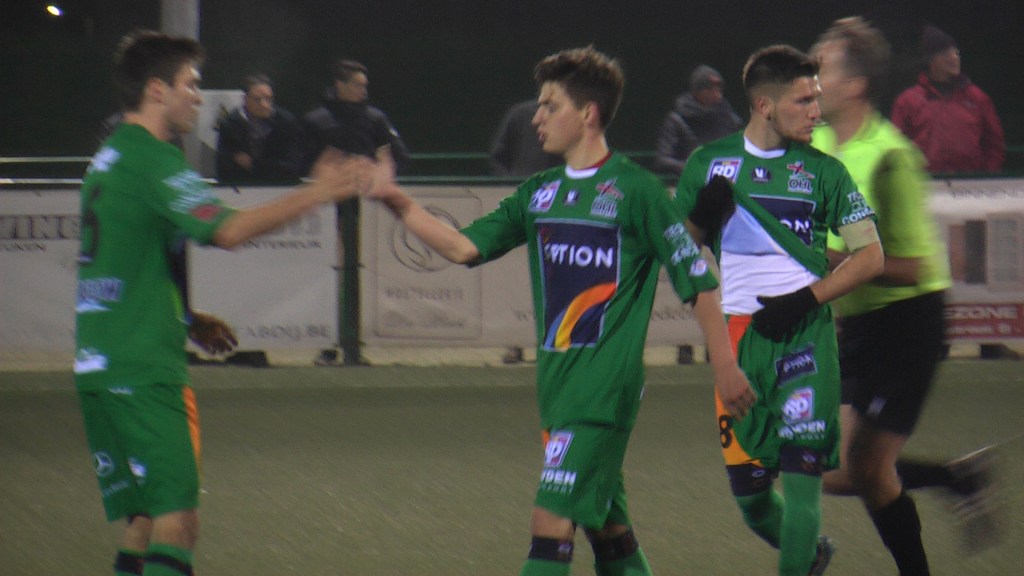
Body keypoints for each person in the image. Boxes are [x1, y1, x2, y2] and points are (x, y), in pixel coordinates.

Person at [365, 46, 755, 576]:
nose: (537, 117)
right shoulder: (540, 193)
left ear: (588, 114)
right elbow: (462, 247)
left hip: (603, 391)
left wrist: (725, 366)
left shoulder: (636, 191)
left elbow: (699, 284)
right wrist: (396, 201)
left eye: (550, 105)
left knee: (550, 523)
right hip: (558, 389)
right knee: (609, 528)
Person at [75, 30, 369, 576]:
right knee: (177, 522)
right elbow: (227, 230)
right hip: (143, 369)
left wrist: (188, 318)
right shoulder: (154, 160)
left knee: (144, 519)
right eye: (190, 84)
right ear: (157, 90)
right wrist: (317, 193)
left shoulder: (110, 157)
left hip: (101, 362)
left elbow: (130, 259)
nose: (198, 97)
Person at [677, 44, 885, 576]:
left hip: (805, 339)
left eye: (817, 98)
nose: (818, 111)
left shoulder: (825, 172)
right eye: (804, 101)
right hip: (739, 344)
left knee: (801, 478)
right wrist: (699, 220)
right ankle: (813, 555)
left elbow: (871, 256)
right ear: (765, 105)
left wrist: (806, 299)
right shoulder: (708, 164)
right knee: (751, 500)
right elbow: (677, 254)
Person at [811, 17, 996, 573]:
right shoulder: (815, 145)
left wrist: (826, 260)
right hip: (858, 323)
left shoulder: (890, 156)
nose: (810, 78)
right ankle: (956, 477)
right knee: (834, 471)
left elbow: (910, 268)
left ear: (854, 85)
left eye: (820, 68)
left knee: (866, 468)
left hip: (907, 323)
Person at [302, 58, 410, 366]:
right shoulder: (317, 120)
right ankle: (328, 343)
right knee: (330, 276)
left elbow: (400, 156)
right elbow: (301, 163)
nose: (364, 90)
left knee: (360, 275)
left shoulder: (375, 119)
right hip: (327, 212)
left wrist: (376, 173)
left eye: (365, 85)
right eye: (357, 84)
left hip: (367, 211)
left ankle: (355, 345)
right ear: (340, 85)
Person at [890, 25, 1005, 174]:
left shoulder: (977, 98)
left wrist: (988, 177)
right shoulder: (907, 100)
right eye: (946, 53)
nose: (954, 58)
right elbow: (895, 145)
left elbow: (994, 144)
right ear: (931, 59)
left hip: (971, 183)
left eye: (956, 53)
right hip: (924, 182)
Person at [653, 64, 742, 178]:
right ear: (698, 91)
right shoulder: (676, 121)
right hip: (692, 181)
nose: (717, 93)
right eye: (710, 88)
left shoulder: (730, 119)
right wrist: (691, 167)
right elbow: (663, 159)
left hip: (728, 179)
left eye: (719, 88)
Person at [215, 74, 304, 184]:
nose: (264, 105)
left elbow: (294, 166)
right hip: (241, 187)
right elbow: (223, 168)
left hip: (279, 186)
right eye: (257, 99)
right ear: (245, 99)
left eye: (268, 99)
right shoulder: (230, 124)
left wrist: (254, 164)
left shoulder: (286, 123)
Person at [489, 99, 562, 177]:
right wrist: (508, 181)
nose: (536, 121)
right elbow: (497, 157)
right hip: (520, 180)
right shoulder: (520, 114)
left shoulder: (566, 116)